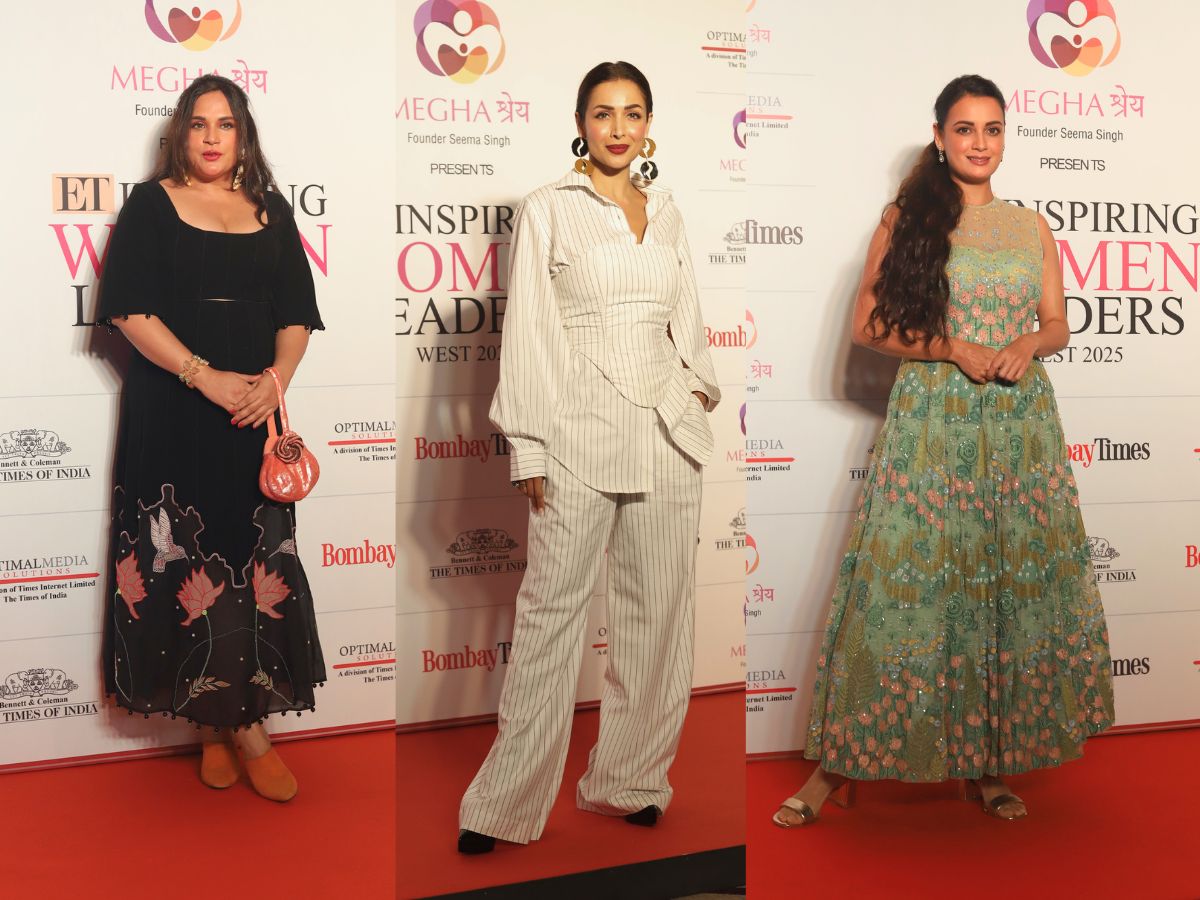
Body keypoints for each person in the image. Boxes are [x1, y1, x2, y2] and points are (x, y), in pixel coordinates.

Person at [774, 74, 1114, 827]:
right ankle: (835, 769)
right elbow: (867, 326)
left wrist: (1030, 342)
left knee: (999, 590)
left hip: (1018, 427)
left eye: (992, 129)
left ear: (1005, 137)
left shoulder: (1031, 227)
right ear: (939, 136)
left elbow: (1057, 322)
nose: (979, 143)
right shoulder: (909, 219)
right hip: (933, 422)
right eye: (964, 129)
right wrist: (953, 348)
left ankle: (986, 766)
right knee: (908, 593)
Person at [456, 61, 720, 853]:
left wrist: (696, 386)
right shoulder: (548, 209)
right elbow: (531, 331)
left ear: (648, 125)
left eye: (632, 113)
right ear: (580, 124)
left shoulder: (666, 210)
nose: (617, 128)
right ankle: (502, 806)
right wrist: (528, 444)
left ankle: (629, 781)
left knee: (658, 618)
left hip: (667, 432)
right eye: (603, 113)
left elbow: (688, 317)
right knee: (550, 619)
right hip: (577, 429)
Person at [97, 74, 325, 802]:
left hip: (251, 417)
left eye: (225, 124)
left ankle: (240, 717)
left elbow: (296, 314)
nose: (211, 137)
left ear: (243, 135)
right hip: (173, 411)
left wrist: (275, 382)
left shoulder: (270, 209)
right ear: (181, 133)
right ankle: (221, 725)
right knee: (184, 560)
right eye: (199, 123)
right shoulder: (151, 204)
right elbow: (129, 312)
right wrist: (204, 376)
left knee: (246, 558)